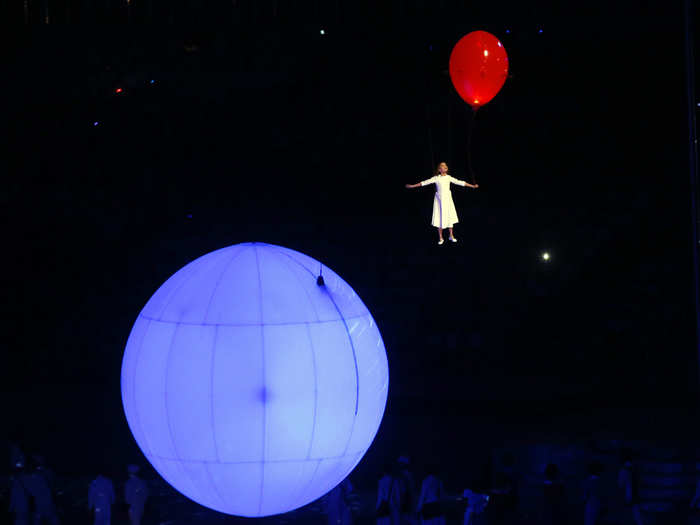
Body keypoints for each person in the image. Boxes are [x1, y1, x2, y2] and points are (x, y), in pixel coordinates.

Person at [405, 162, 478, 245]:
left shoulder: (449, 177)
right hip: (439, 201)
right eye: (442, 166)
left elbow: (460, 182)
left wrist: (472, 186)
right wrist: (412, 186)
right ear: (439, 169)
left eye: (445, 165)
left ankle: (451, 235)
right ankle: (440, 237)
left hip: (448, 200)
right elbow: (424, 182)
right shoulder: (436, 178)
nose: (445, 166)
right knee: (440, 217)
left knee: (450, 217)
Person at [617, 454, 644, 525]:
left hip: (632, 496)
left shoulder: (632, 470)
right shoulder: (626, 471)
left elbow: (621, 484)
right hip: (629, 496)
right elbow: (621, 484)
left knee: (636, 515)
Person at [397, 457, 418, 525]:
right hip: (409, 503)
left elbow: (404, 491)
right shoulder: (410, 475)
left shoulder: (403, 476)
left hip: (406, 504)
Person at [9, 460, 30, 525]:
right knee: (21, 519)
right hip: (20, 505)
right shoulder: (14, 480)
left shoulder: (26, 479)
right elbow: (13, 494)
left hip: (23, 504)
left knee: (22, 519)